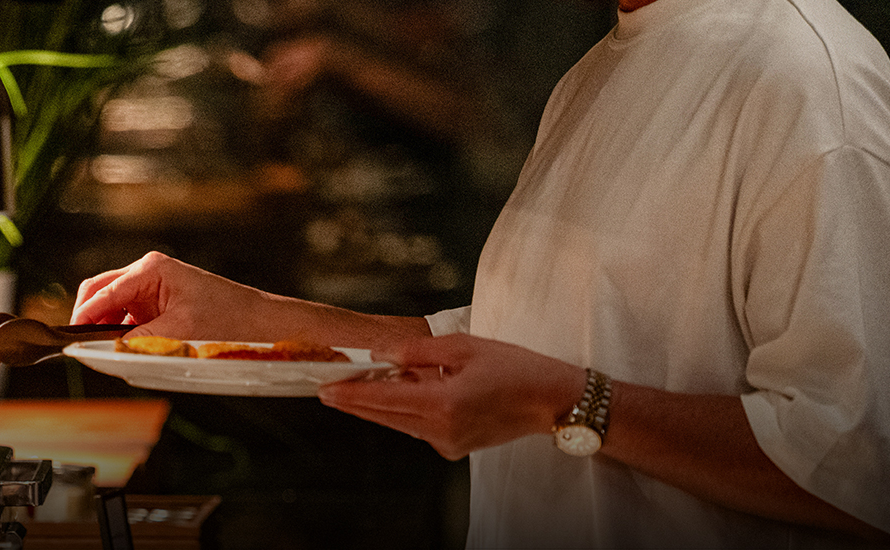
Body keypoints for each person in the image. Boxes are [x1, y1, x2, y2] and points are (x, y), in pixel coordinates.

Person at [69, 0, 890, 546]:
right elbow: (528, 341)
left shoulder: (807, 81)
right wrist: (240, 316)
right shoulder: (605, 67)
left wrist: (564, 402)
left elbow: (859, 468)